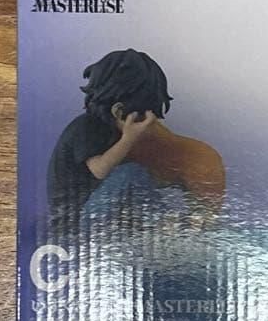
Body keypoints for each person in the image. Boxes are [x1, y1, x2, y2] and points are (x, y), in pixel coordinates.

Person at [46, 48, 225, 233]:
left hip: (93, 212)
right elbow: (99, 170)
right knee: (131, 174)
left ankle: (166, 223)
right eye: (142, 117)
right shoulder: (85, 129)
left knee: (134, 176)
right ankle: (162, 223)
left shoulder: (109, 129)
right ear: (118, 111)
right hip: (73, 219)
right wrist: (129, 138)